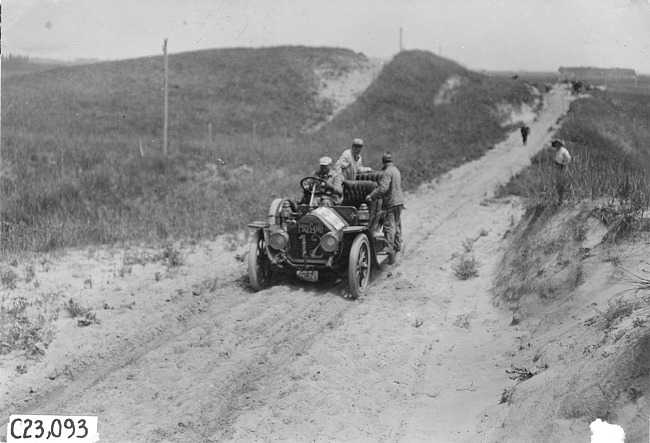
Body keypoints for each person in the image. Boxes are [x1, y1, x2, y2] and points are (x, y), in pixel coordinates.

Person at [365, 152, 404, 255]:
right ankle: (397, 244)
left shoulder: (387, 172)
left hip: (392, 201)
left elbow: (383, 188)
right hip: (399, 201)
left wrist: (371, 196)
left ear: (383, 161)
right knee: (395, 223)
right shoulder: (396, 170)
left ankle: (388, 248)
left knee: (388, 225)